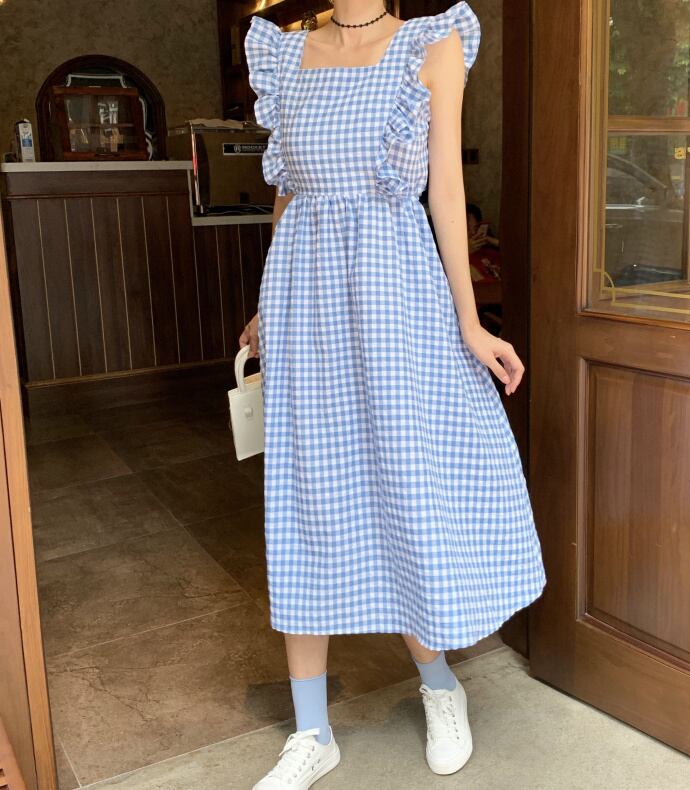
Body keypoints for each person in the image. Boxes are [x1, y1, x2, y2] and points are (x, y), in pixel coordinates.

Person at [239, 2, 546, 787]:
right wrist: (268, 306)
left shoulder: (430, 45)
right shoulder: (286, 55)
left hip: (394, 298)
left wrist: (470, 324)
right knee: (307, 499)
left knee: (402, 492)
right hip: (307, 301)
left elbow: (445, 193)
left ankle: (440, 686)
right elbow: (288, 195)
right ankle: (313, 732)